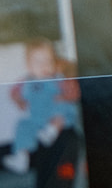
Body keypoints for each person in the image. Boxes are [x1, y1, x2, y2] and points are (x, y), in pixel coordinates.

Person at [3, 39, 81, 178]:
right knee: (23, 126)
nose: (44, 65)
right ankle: (21, 157)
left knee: (60, 107)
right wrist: (19, 100)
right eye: (38, 62)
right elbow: (13, 92)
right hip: (37, 119)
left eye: (48, 61)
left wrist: (64, 96)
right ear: (29, 66)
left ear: (54, 62)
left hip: (57, 114)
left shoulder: (59, 78)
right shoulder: (25, 81)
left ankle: (52, 130)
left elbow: (75, 94)